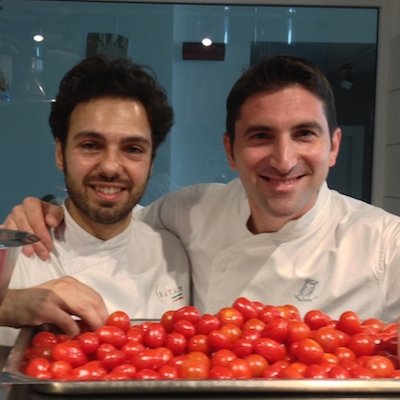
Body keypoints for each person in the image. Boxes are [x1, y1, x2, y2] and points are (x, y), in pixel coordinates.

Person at [4, 55, 400, 323]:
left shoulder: (385, 245)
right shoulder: (189, 212)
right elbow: (111, 216)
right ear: (231, 150)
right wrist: (8, 300)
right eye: (261, 136)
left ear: (333, 146)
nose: (283, 159)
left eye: (304, 134)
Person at [0, 56, 190, 345]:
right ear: (60, 153)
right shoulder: (13, 257)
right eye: (90, 145)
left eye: (133, 149)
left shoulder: (173, 252)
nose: (111, 167)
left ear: (151, 163)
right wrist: (9, 304)